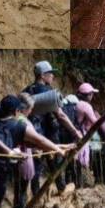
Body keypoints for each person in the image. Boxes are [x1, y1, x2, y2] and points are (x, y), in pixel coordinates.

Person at [23, 61, 83, 196]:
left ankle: (36, 194)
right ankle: (54, 190)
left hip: (28, 131)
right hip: (43, 132)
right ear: (43, 75)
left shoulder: (26, 90)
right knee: (51, 161)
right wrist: (75, 132)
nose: (52, 77)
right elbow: (60, 115)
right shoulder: (48, 92)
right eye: (50, 74)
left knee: (37, 165)